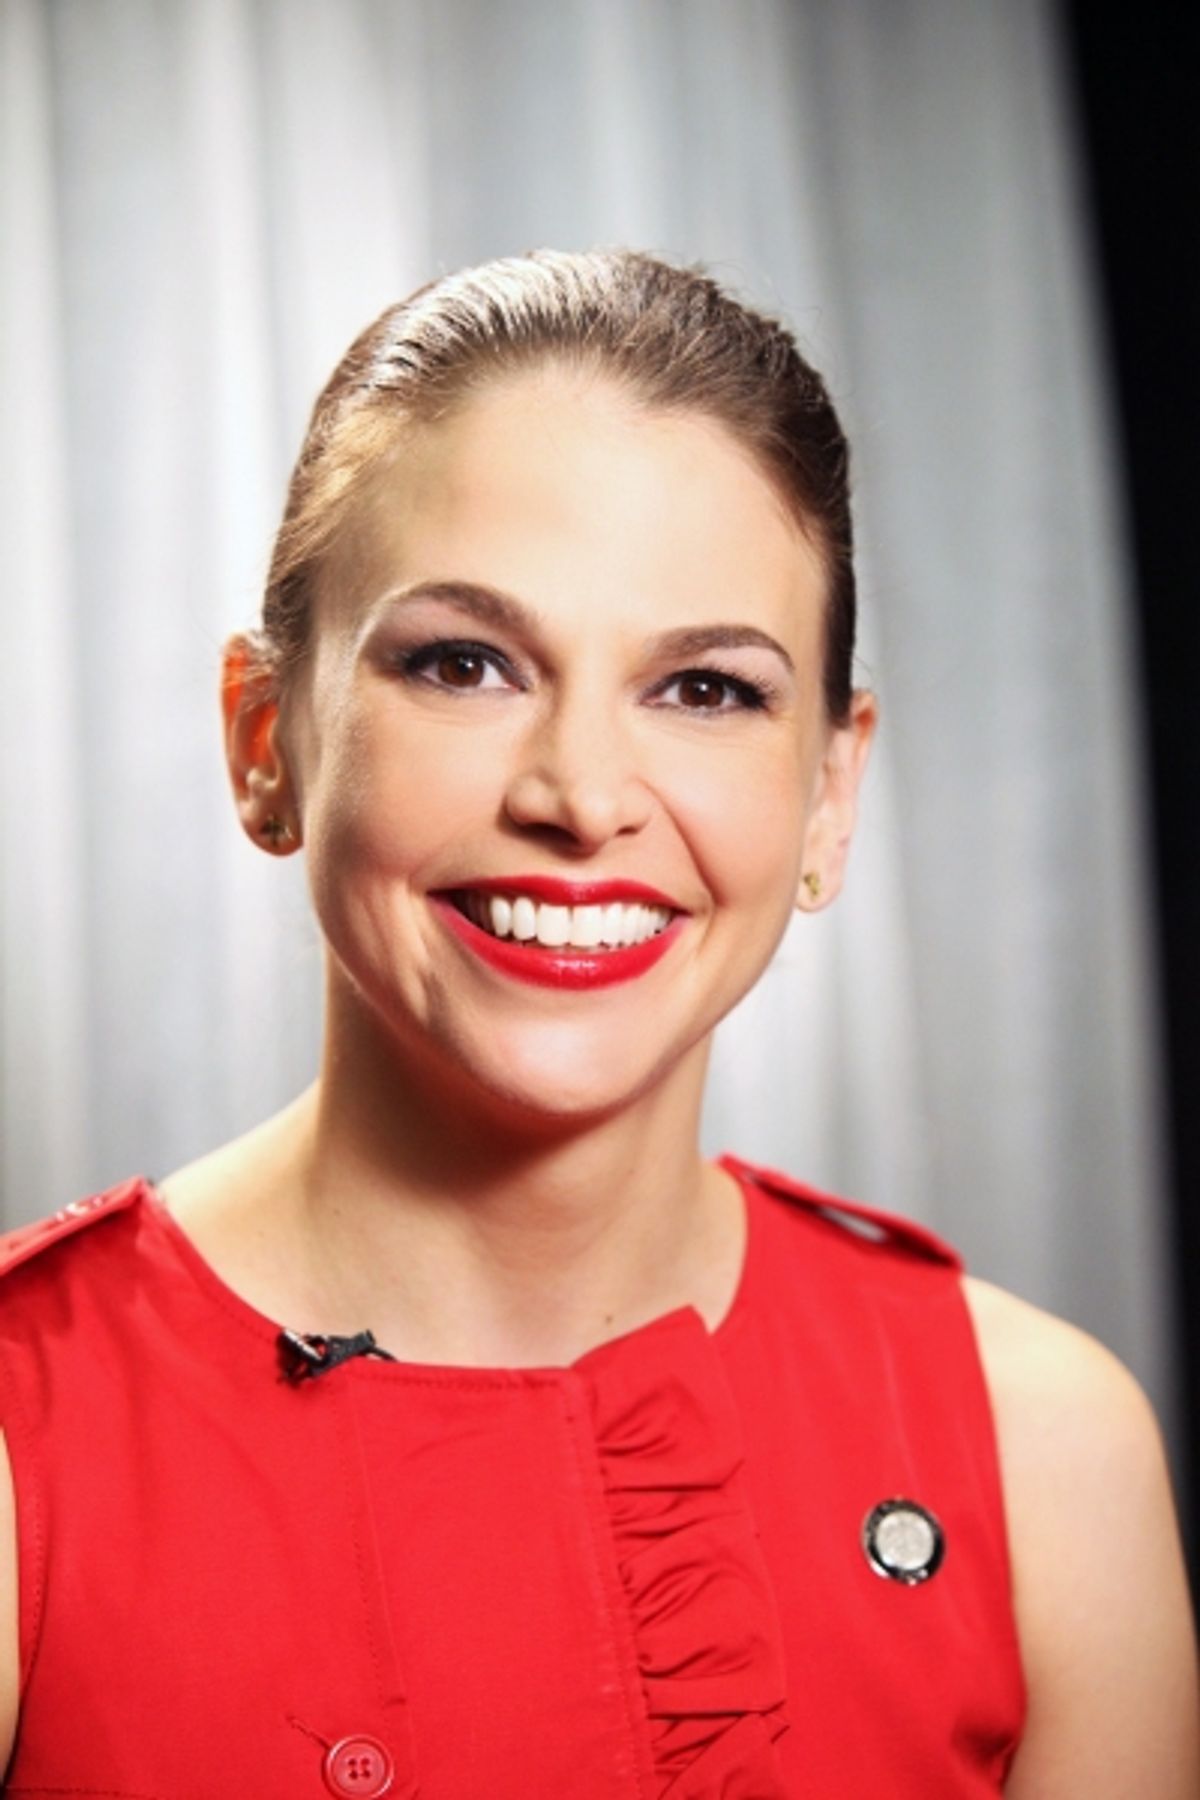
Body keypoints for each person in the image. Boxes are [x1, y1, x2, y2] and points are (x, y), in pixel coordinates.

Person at [0, 249, 1195, 1798]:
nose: (580, 796)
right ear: (266, 740)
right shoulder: (27, 1439)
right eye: (464, 663)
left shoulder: (1050, 1455)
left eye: (704, 690)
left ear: (832, 793)